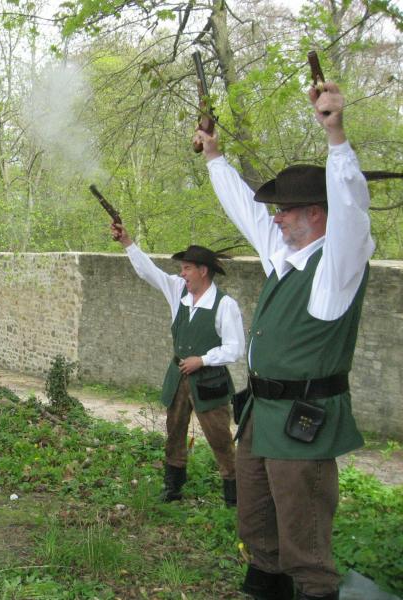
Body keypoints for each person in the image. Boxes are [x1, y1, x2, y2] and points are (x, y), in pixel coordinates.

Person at [194, 81, 400, 600]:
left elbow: (351, 210)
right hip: (260, 417)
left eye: (285, 208)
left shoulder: (339, 266)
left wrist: (336, 135)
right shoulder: (284, 257)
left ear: (316, 213)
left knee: (304, 539)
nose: (276, 216)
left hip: (303, 421)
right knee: (256, 524)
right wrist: (215, 157)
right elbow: (244, 208)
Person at [112, 224, 244, 506]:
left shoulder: (225, 305)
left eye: (186, 269)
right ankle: (173, 489)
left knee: (220, 438)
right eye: (182, 269)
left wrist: (203, 360)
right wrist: (127, 243)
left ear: (203, 271)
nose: (181, 274)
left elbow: (235, 348)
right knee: (174, 432)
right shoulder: (178, 291)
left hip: (209, 380)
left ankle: (234, 498)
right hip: (178, 376)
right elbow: (149, 272)